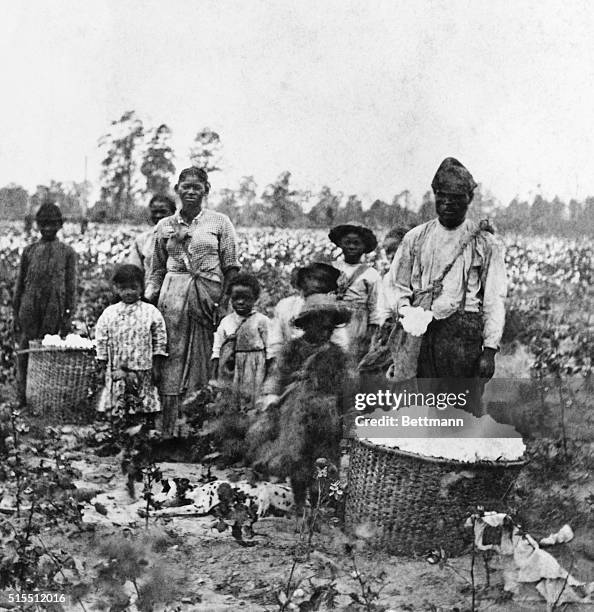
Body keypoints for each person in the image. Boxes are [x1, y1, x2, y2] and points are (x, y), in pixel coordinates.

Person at [382, 157, 507, 416]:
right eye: (442, 196)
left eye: (456, 197)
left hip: (463, 338)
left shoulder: (485, 243)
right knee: (422, 409)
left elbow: (495, 299)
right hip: (423, 335)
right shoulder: (416, 238)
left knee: (462, 412)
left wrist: (490, 350)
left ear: (468, 200)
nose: (448, 203)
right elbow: (396, 284)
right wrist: (406, 311)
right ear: (435, 196)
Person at [146, 167, 239, 435]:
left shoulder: (220, 222)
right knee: (171, 361)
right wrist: (147, 303)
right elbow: (157, 271)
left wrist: (223, 304)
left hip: (207, 298)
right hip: (172, 301)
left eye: (196, 187)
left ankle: (199, 430)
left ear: (206, 190)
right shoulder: (164, 226)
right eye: (185, 186)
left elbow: (231, 266)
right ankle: (169, 431)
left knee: (204, 359)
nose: (190, 191)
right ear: (177, 189)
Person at [249, 294, 351, 514]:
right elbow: (277, 374)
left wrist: (347, 413)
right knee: (297, 457)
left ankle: (317, 504)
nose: (325, 330)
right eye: (319, 324)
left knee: (324, 460)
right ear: (307, 324)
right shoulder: (293, 349)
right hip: (295, 412)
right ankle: (298, 503)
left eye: (329, 326)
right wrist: (270, 395)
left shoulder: (336, 354)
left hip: (327, 414)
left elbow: (345, 385)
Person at [13, 202, 77, 405]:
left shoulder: (67, 252)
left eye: (52, 224)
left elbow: (71, 287)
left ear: (60, 225)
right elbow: (19, 284)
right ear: (37, 225)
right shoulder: (29, 251)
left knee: (47, 349)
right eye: (44, 224)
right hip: (29, 305)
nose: (48, 228)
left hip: (53, 307)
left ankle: (43, 397)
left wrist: (68, 315)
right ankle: (22, 396)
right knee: (25, 348)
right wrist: (15, 313)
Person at [95, 264, 167, 424]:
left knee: (142, 406)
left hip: (142, 368)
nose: (129, 292)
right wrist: (102, 361)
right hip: (117, 368)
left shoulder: (151, 312)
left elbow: (160, 339)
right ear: (116, 288)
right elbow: (101, 338)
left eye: (133, 288)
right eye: (123, 288)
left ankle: (142, 434)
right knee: (119, 405)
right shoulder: (110, 313)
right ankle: (118, 433)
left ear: (142, 287)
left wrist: (157, 365)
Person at [211, 273, 272, 408]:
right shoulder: (226, 321)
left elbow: (270, 349)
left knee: (252, 400)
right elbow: (216, 349)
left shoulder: (261, 321)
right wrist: (214, 375)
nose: (240, 302)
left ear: (255, 299)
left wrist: (269, 375)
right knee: (231, 401)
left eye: (246, 298)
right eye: (236, 298)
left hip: (255, 367)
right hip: (230, 367)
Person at [268, 262, 349, 361]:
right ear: (302, 282)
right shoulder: (285, 305)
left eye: (322, 280)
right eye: (311, 278)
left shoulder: (333, 309)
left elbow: (340, 342)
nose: (316, 284)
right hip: (290, 361)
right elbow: (275, 342)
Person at [329, 222, 381, 361]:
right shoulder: (332, 268)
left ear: (364, 247)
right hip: (333, 319)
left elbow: (375, 307)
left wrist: (371, 334)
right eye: (347, 242)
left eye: (356, 243)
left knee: (353, 359)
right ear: (340, 244)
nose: (352, 246)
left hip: (357, 323)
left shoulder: (371, 274)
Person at [128, 194, 176, 288]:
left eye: (163, 211)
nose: (158, 215)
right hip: (150, 291)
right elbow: (134, 271)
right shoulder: (142, 240)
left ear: (173, 213)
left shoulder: (183, 237)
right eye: (154, 212)